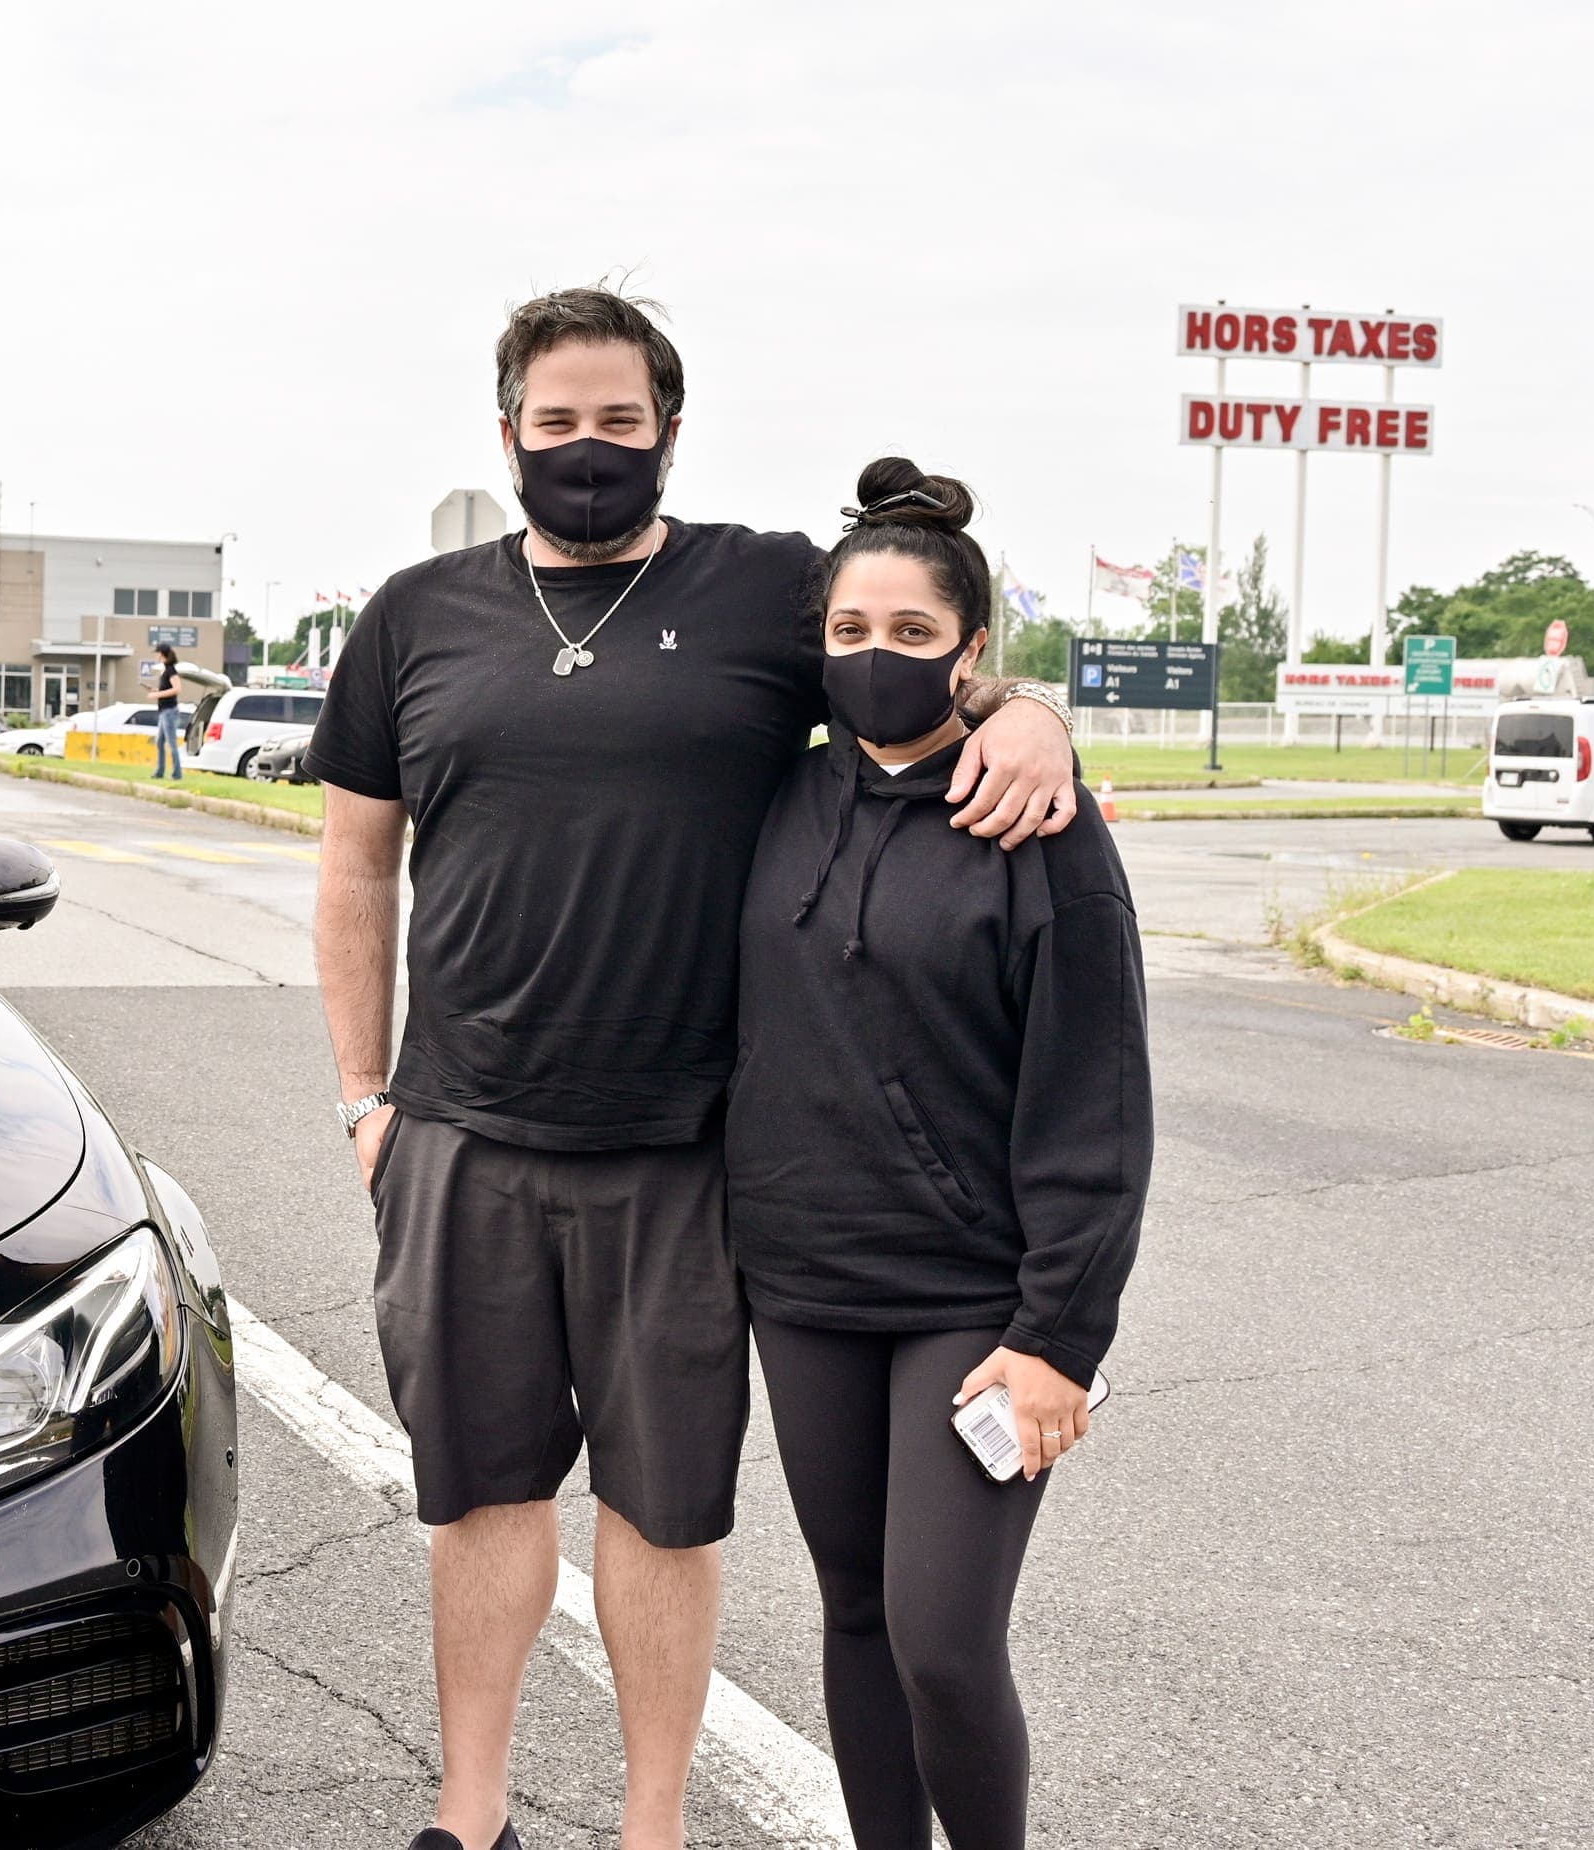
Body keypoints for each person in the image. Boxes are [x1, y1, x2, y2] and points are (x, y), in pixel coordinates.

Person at [305, 288, 1084, 1850]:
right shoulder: (415, 613)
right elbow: (353, 867)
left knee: (664, 1511)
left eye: (619, 420)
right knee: (479, 1497)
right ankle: (472, 1817)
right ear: (509, 429)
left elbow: (913, 651)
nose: (587, 448)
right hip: (461, 1132)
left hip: (688, 1150)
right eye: (556, 421)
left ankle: (649, 1828)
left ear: (668, 427)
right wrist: (366, 1093)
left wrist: (1039, 712)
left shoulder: (759, 593)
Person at [727, 459, 1151, 1850]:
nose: (877, 659)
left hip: (977, 1299)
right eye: (851, 633)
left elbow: (1098, 1103)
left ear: (971, 651)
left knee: (943, 1639)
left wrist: (1060, 1337)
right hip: (804, 1283)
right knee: (853, 1610)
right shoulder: (772, 803)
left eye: (912, 635)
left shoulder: (1042, 824)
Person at [150, 643, 186, 779]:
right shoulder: (165, 671)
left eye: (157, 652)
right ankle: (159, 771)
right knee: (160, 742)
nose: (156, 655)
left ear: (162, 653)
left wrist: (157, 695)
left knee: (172, 743)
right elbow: (167, 689)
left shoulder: (171, 670)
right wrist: (156, 691)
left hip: (169, 711)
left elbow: (177, 689)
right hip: (163, 711)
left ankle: (177, 773)